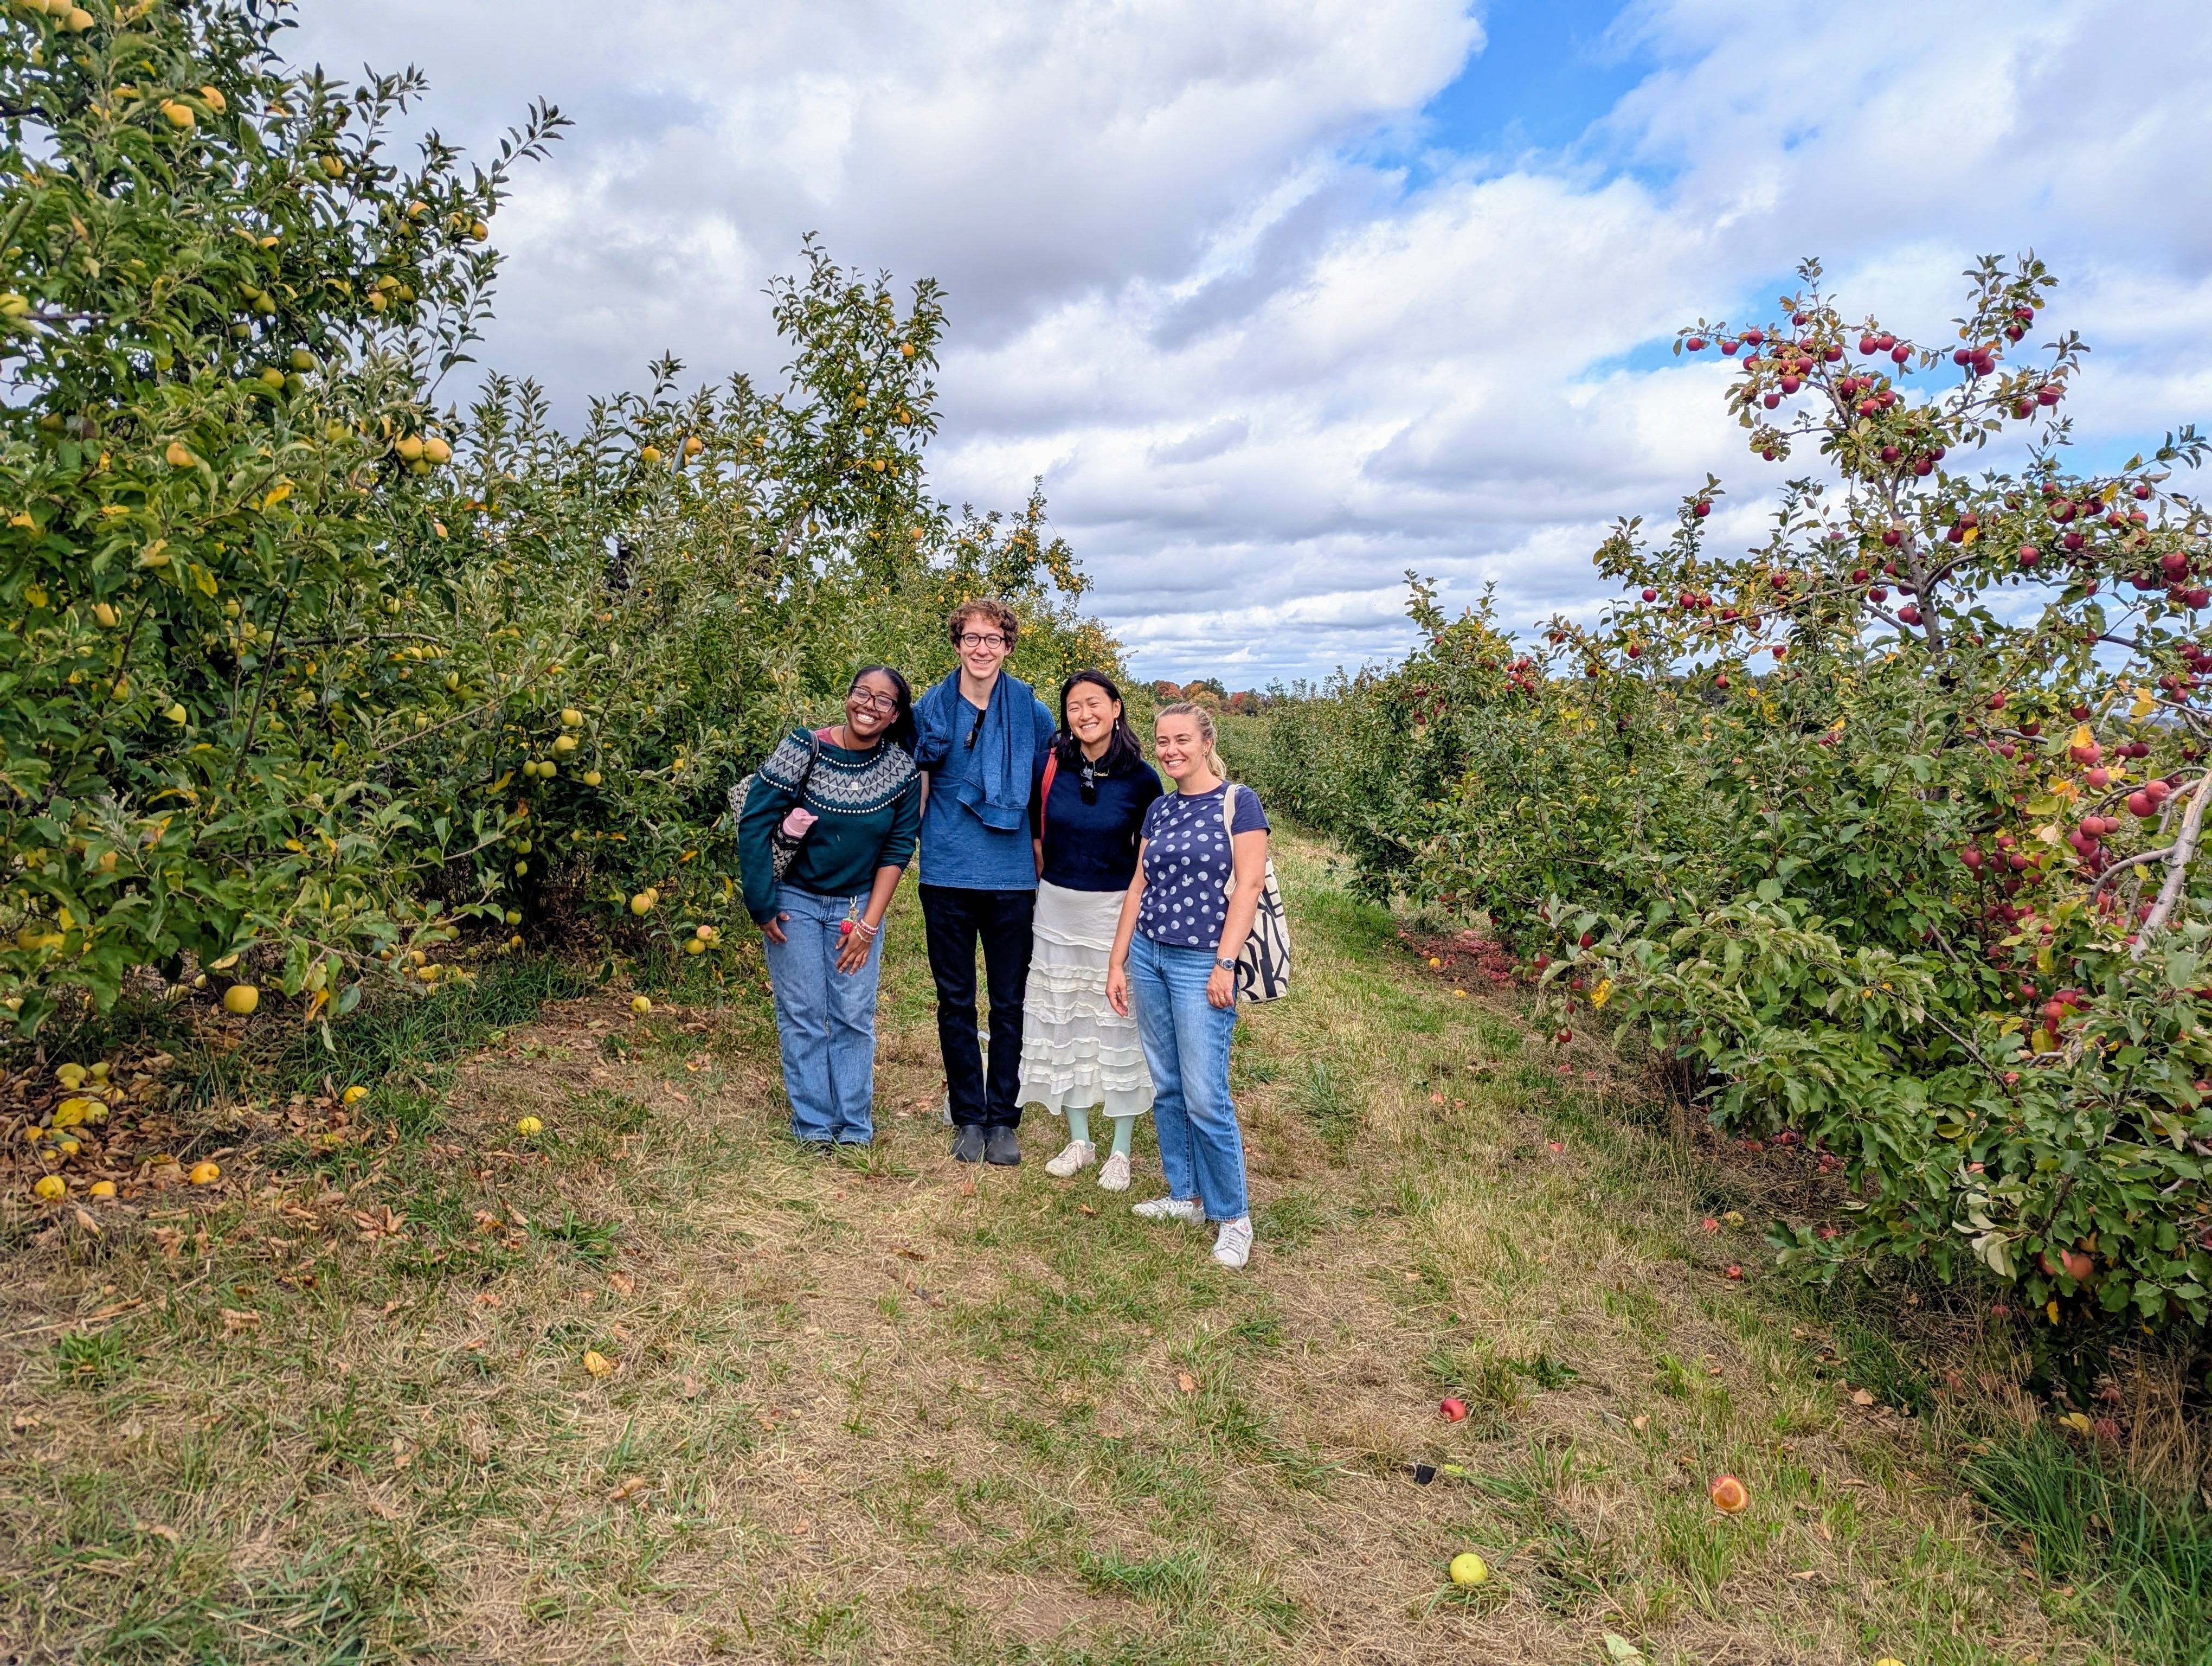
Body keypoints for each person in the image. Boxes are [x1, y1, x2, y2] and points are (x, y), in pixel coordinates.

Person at [1107, 701, 1271, 1268]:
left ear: (1205, 742)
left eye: (1182, 739)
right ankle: (1186, 1195)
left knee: (1206, 1095)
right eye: (1162, 741)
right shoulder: (1159, 808)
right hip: (1150, 956)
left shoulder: (1238, 803)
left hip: (1202, 962)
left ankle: (1233, 1217)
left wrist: (1225, 964)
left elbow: (1248, 887)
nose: (1170, 750)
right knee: (1169, 1084)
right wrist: (1118, 961)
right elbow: (1137, 887)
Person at [737, 667, 920, 1150]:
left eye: (885, 701)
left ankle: (854, 1128)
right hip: (795, 899)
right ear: (848, 696)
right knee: (802, 1012)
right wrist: (761, 902)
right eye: (863, 693)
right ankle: (814, 1126)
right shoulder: (804, 747)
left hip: (856, 904)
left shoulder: (900, 770)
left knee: (853, 1015)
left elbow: (898, 850)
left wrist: (867, 925)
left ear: (896, 714)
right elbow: (754, 823)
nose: (871, 706)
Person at [911, 599, 1059, 1165]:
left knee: (1008, 1002)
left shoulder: (1032, 712)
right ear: (957, 645)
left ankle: (1004, 1119)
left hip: (1011, 877)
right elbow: (915, 783)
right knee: (955, 1001)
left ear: (1008, 647)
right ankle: (968, 1117)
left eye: (992, 639)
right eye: (970, 638)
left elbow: (1047, 791)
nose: (981, 648)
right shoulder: (931, 707)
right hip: (947, 873)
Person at [1020, 671, 1164, 1190]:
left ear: (1116, 708)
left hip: (1113, 914)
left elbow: (1147, 863)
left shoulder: (1143, 780)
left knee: (1115, 1026)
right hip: (1056, 909)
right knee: (1065, 1023)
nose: (1085, 714)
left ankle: (1121, 1151)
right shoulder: (1049, 767)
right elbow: (1037, 839)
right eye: (1074, 706)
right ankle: (1079, 1139)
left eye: (1094, 703)